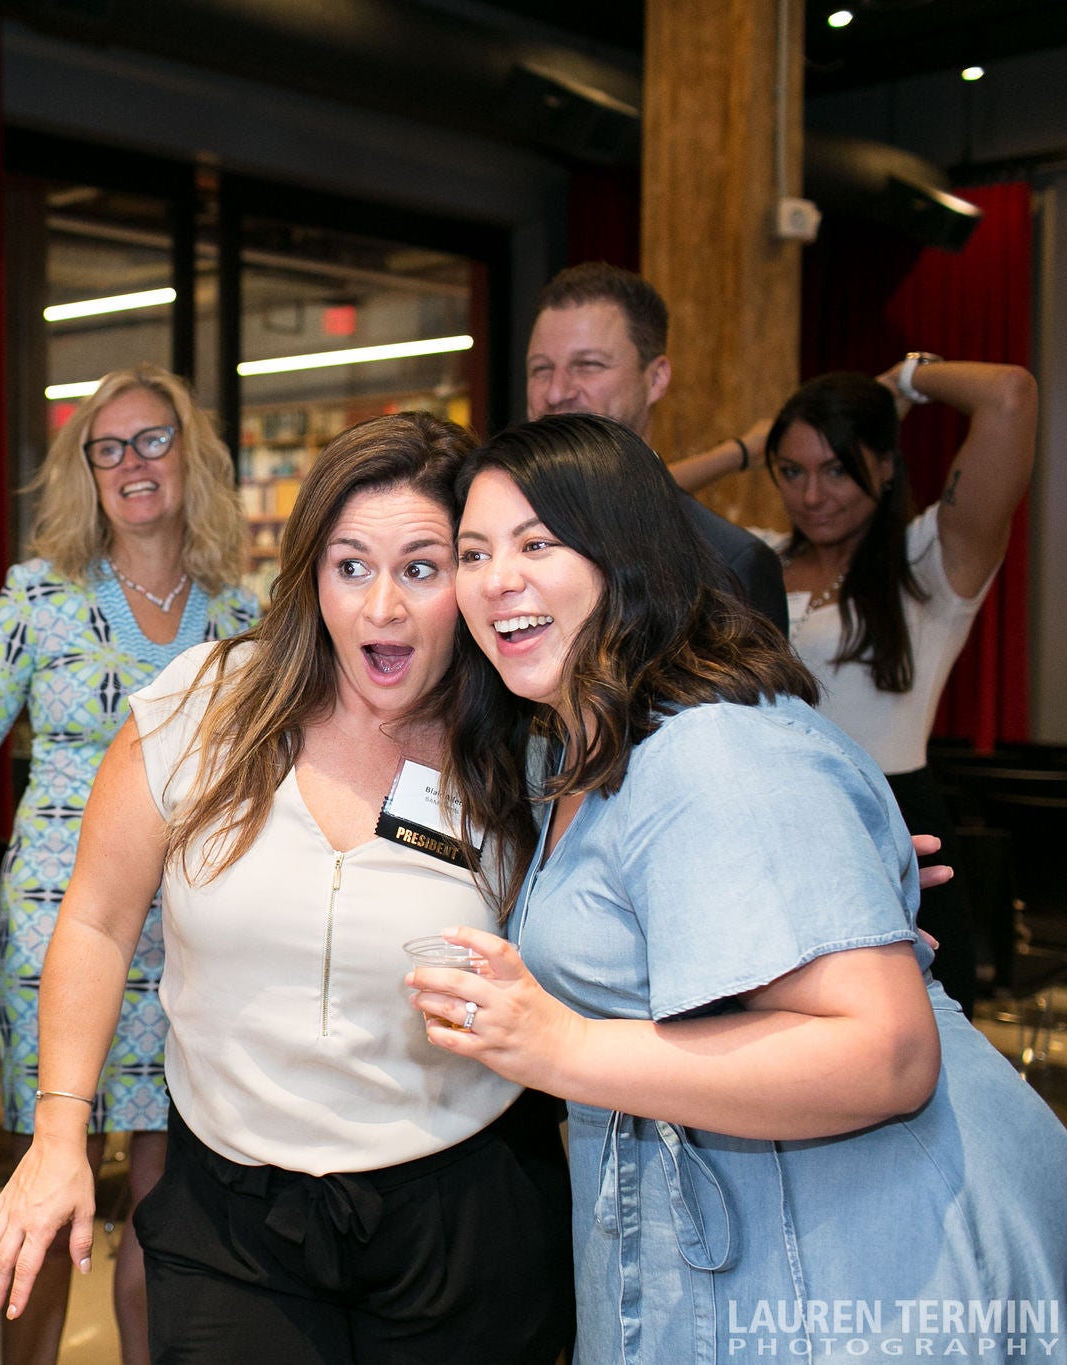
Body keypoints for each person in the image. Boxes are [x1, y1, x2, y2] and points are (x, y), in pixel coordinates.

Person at [416, 413, 1067, 1362]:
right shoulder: (572, 742)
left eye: (537, 542)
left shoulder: (715, 750)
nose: (496, 578)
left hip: (856, 1267)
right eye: (473, 552)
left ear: (623, 551)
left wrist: (558, 1045)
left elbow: (886, 1056)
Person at [0, 414, 573, 1364]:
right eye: (350, 566)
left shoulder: (527, 742)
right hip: (234, 1219)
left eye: (420, 568)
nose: (382, 607)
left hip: (465, 1206)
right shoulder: (205, 705)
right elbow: (94, 919)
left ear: (468, 578)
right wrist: (57, 1133)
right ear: (309, 575)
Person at [0, 363, 257, 1365]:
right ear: (85, 472)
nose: (130, 463)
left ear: (188, 454)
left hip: (193, 923)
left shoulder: (246, 614)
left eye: (150, 439)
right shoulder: (39, 596)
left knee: (166, 1211)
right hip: (59, 918)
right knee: (46, 1180)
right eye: (105, 447)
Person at [684, 359, 1036, 1013]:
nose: (812, 494)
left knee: (916, 1048)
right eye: (792, 471)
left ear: (883, 465)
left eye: (837, 468)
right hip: (772, 829)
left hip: (898, 832)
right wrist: (746, 448)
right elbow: (638, 504)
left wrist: (907, 381)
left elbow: (1012, 395)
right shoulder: (757, 560)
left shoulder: (930, 563)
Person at [525, 262, 789, 632]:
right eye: (540, 369)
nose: (556, 391)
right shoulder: (483, 542)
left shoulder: (729, 565)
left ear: (656, 379)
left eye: (588, 365)